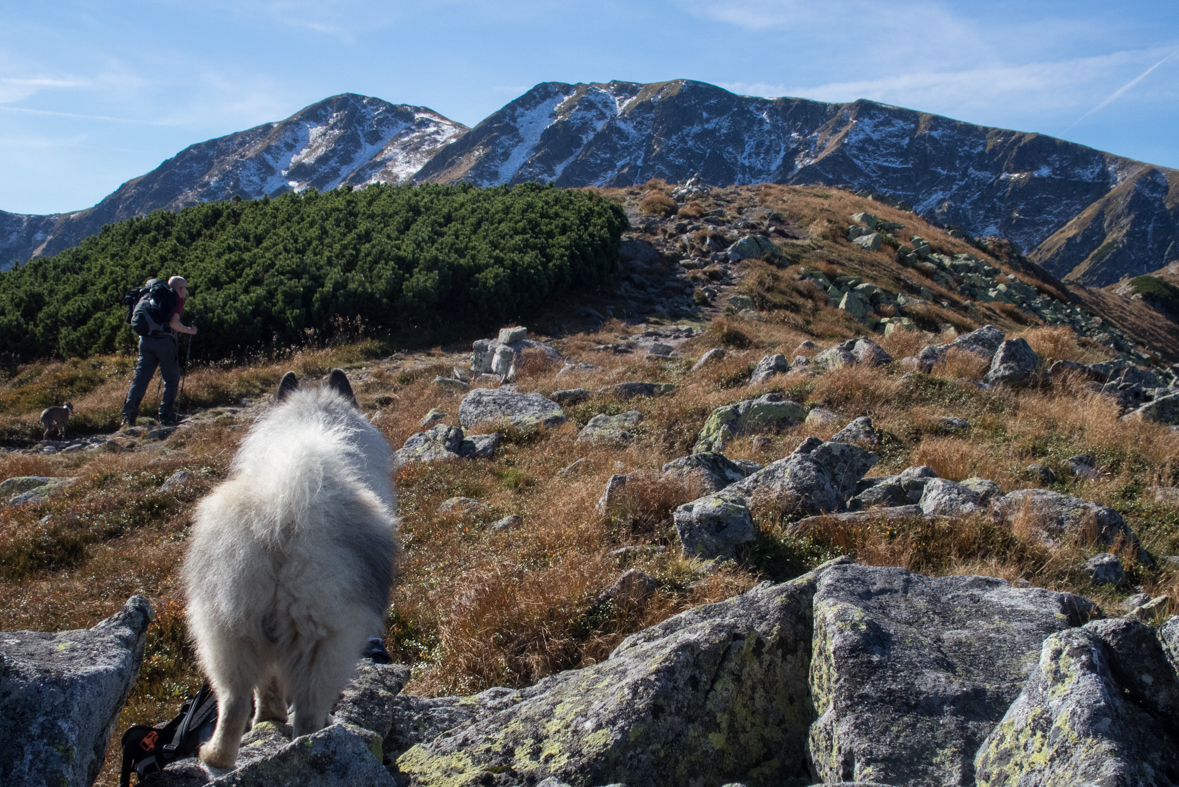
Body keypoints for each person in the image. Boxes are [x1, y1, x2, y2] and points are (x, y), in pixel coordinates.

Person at [121, 276, 197, 427]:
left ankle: (128, 416)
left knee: (141, 379)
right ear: (180, 289)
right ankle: (166, 415)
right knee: (172, 378)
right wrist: (190, 330)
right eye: (185, 288)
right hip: (163, 342)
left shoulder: (150, 296)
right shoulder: (175, 299)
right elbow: (173, 323)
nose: (186, 291)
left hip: (145, 340)